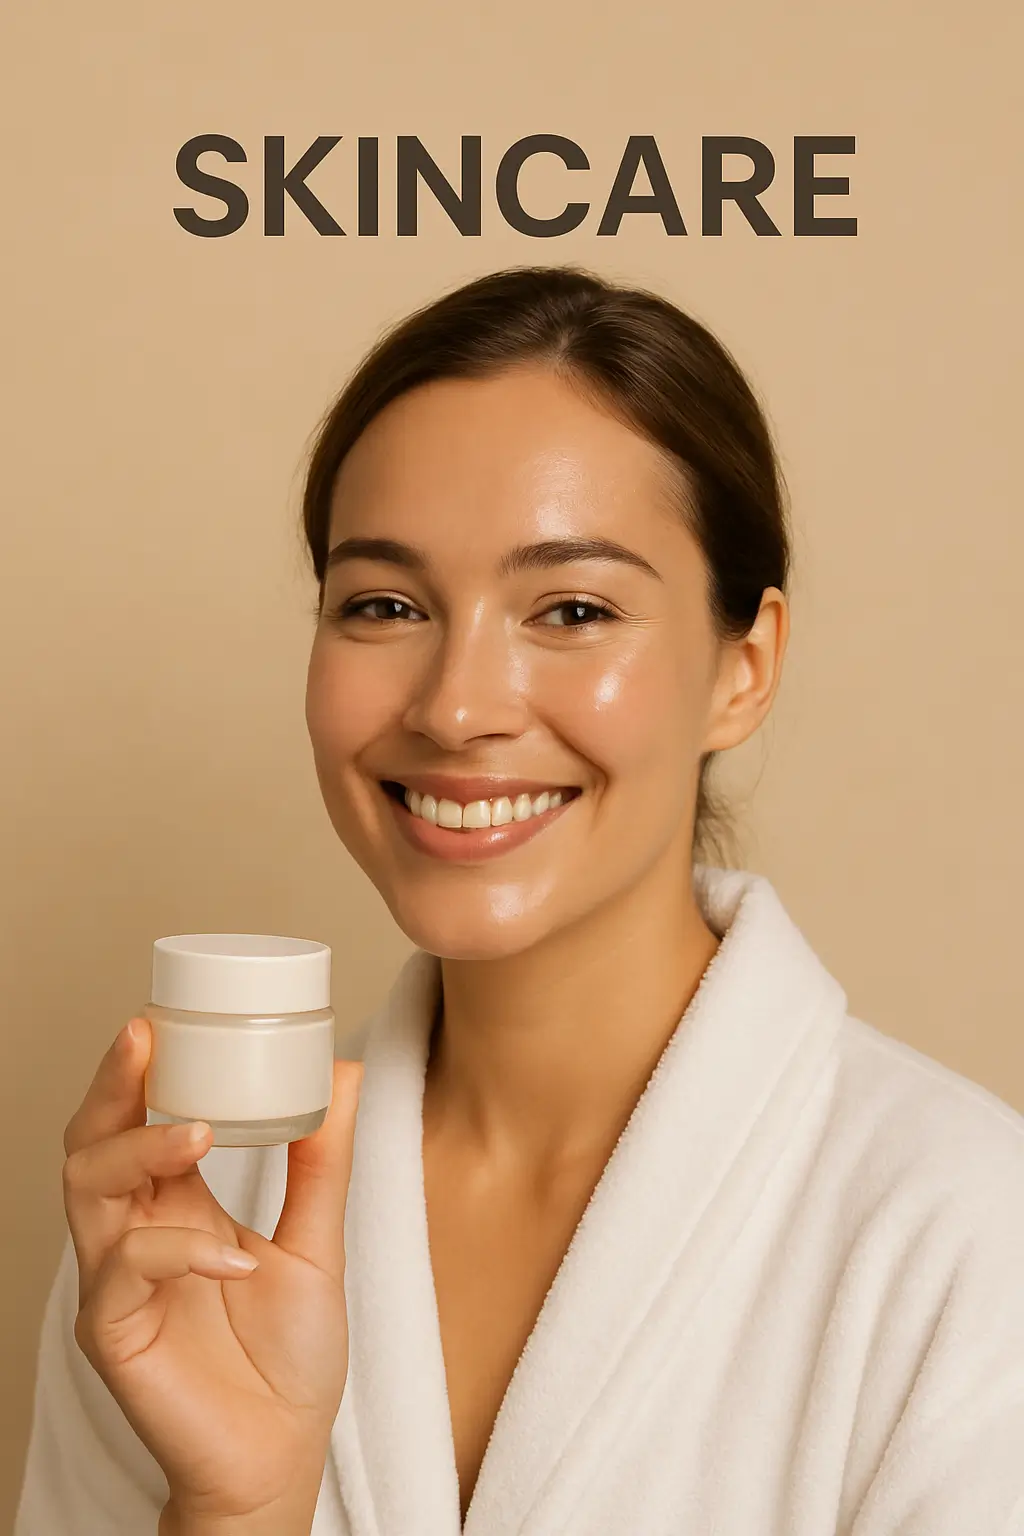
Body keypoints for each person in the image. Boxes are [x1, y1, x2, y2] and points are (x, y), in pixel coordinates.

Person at [15, 265, 1024, 1536]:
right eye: (383, 604)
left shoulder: (963, 1238)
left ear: (742, 667)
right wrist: (238, 1505)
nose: (453, 704)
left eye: (572, 609)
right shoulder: (190, 1219)